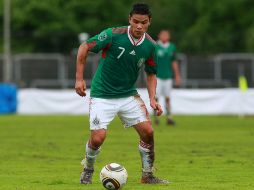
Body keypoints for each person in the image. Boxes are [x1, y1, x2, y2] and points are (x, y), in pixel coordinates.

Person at [75, 3, 169, 185]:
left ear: (149, 22)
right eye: (135, 22)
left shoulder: (150, 45)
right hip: (102, 94)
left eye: (143, 22)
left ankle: (147, 175)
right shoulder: (113, 34)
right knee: (98, 138)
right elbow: (84, 47)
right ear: (129, 20)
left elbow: (151, 73)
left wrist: (152, 98)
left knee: (148, 132)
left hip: (128, 95)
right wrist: (79, 79)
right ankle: (88, 168)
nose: (139, 26)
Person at [154, 30, 181, 125]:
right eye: (163, 35)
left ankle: (169, 117)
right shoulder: (155, 46)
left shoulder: (172, 47)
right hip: (157, 76)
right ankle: (156, 117)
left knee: (168, 98)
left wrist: (177, 75)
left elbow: (174, 61)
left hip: (168, 76)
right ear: (159, 36)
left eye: (166, 35)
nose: (165, 36)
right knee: (156, 98)